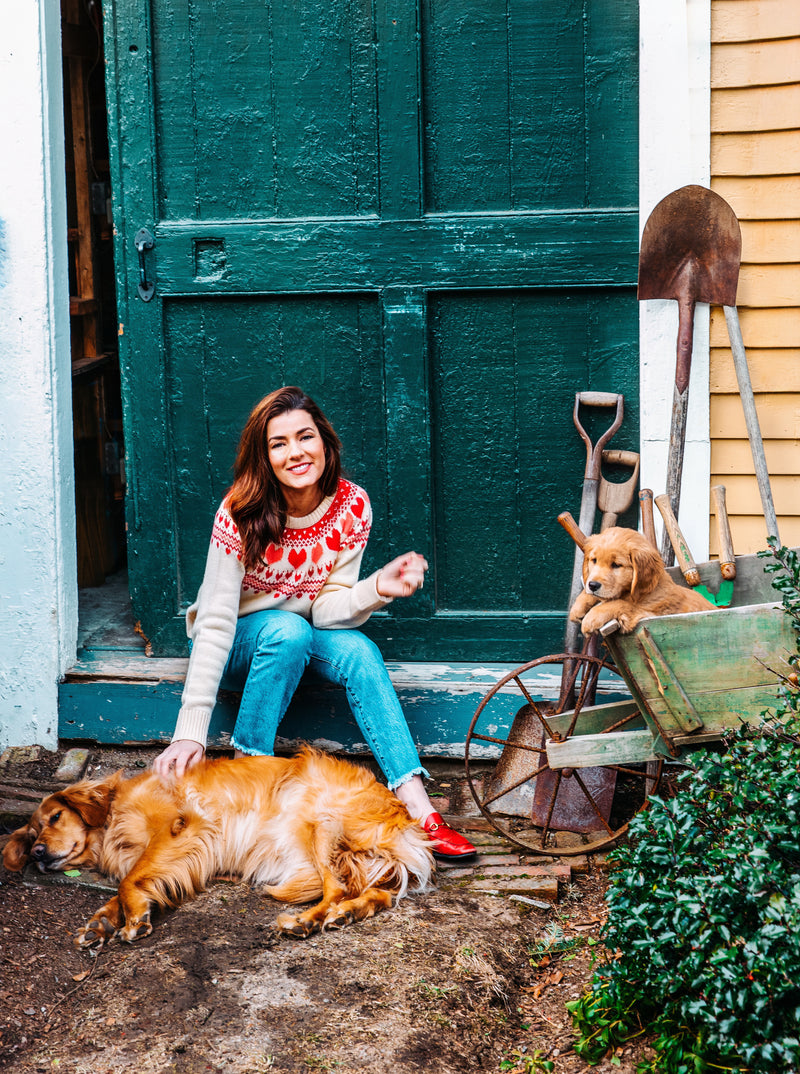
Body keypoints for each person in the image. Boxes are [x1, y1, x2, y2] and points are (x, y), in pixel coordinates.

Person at [153, 385, 475, 860]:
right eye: (278, 444)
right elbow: (216, 622)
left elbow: (326, 609)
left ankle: (417, 804)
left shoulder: (352, 505)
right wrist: (190, 729)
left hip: (299, 637)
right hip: (238, 644)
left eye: (305, 437)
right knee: (287, 630)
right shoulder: (239, 511)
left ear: (324, 440)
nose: (296, 453)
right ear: (264, 457)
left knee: (358, 650)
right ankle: (248, 777)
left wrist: (377, 588)